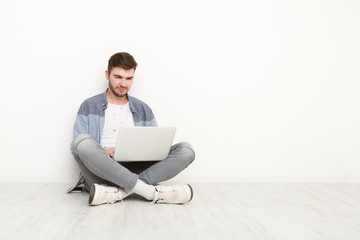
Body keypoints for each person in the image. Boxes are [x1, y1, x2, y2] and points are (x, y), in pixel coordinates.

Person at [68, 52, 195, 206]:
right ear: (107, 75)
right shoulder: (89, 106)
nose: (123, 84)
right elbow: (78, 147)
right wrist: (104, 150)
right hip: (101, 172)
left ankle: (119, 192)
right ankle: (148, 192)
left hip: (137, 170)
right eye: (118, 77)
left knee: (186, 150)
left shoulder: (143, 109)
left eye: (129, 78)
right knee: (82, 142)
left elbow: (155, 147)